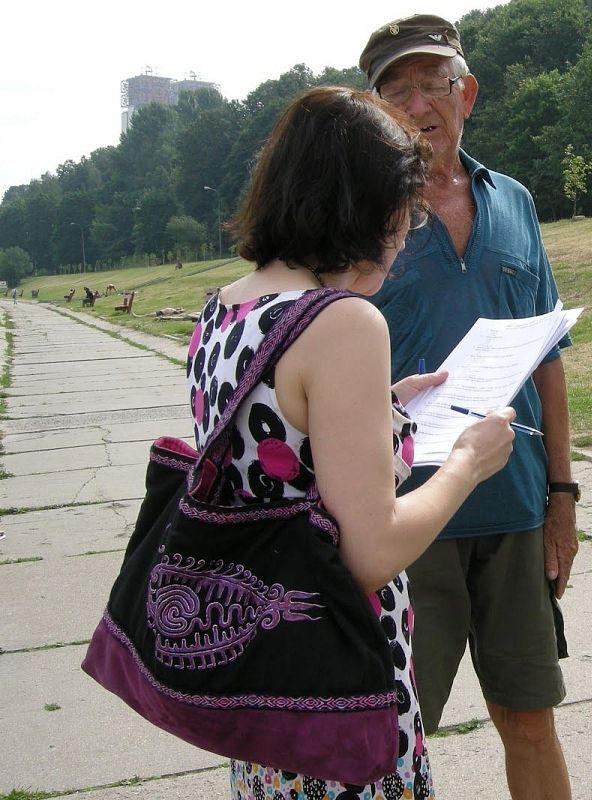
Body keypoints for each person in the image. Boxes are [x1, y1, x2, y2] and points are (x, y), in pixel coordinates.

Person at [190, 85, 517, 800]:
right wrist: (466, 463)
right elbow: (369, 552)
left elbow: (273, 446)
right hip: (338, 668)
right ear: (362, 209)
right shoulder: (342, 323)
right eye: (402, 221)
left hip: (260, 665)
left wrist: (383, 406)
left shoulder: (228, 306)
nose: (401, 248)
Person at [359, 15, 577, 799]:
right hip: (403, 517)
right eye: (397, 88)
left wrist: (562, 495)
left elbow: (547, 354)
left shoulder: (513, 200)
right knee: (392, 736)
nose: (419, 103)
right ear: (373, 106)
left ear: (468, 94)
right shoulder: (355, 214)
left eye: (434, 83)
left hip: (515, 510)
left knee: (530, 718)